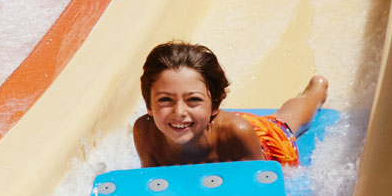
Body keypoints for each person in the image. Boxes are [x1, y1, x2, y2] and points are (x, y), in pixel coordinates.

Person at [130, 40, 327, 168]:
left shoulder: (238, 133)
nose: (179, 112)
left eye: (193, 100)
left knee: (285, 122)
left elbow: (261, 190)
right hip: (210, 123)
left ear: (214, 104)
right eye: (165, 100)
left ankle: (316, 90)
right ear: (149, 105)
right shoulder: (145, 132)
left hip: (265, 143)